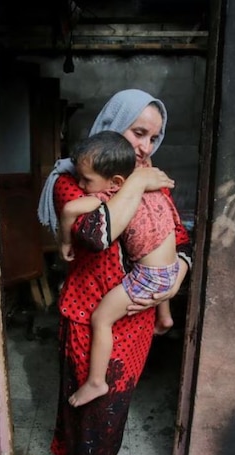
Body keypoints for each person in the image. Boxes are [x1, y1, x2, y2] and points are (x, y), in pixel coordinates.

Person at [37, 89, 192, 455]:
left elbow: (179, 239)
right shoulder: (72, 181)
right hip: (89, 317)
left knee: (111, 411)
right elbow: (94, 233)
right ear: (110, 125)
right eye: (136, 132)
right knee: (94, 412)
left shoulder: (147, 181)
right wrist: (139, 181)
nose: (145, 146)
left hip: (138, 318)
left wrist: (178, 272)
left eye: (153, 137)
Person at [58, 130, 181, 408]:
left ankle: (96, 382)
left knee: (101, 318)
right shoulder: (150, 182)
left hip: (150, 277)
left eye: (86, 180)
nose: (79, 183)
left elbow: (70, 210)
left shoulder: (113, 193)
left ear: (115, 181)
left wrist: (64, 240)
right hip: (169, 270)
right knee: (147, 262)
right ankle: (165, 317)